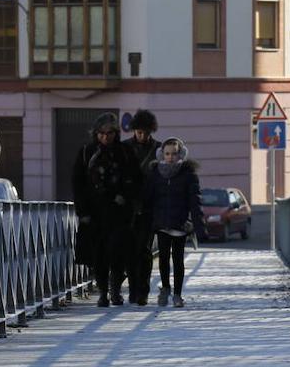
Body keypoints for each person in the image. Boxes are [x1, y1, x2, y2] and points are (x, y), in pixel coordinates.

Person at [71, 112, 139, 307]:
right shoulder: (86, 152)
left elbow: (135, 179)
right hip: (94, 213)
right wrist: (82, 211)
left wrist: (125, 197)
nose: (105, 137)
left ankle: (115, 290)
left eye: (109, 133)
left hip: (119, 212)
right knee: (98, 254)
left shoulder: (125, 152)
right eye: (102, 133)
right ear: (96, 133)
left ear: (116, 133)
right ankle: (102, 292)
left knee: (118, 252)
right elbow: (78, 183)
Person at [143, 137, 204, 308]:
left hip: (180, 223)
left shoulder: (188, 174)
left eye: (174, 153)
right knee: (163, 258)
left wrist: (198, 225)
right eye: (167, 153)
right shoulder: (155, 173)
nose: (170, 157)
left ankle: (177, 294)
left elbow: (195, 200)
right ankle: (165, 288)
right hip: (162, 224)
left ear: (181, 154)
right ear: (162, 154)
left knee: (178, 260)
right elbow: (149, 198)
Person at [123, 109, 160, 306]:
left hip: (149, 206)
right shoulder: (124, 148)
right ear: (134, 130)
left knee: (144, 250)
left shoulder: (159, 149)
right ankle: (133, 289)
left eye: (145, 132)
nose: (142, 136)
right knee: (130, 250)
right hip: (127, 207)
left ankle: (143, 292)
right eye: (139, 132)